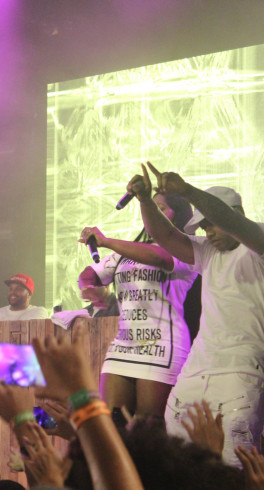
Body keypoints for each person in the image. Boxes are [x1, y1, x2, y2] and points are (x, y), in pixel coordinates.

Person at [127, 162, 264, 468]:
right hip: (193, 373)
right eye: (204, 227)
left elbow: (233, 223)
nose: (209, 233)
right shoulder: (209, 252)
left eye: (213, 224)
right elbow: (165, 236)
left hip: (239, 373)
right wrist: (146, 201)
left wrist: (187, 191)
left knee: (233, 472)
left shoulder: (257, 243)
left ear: (238, 215)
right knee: (183, 470)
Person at [77, 192, 197, 418]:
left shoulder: (186, 248)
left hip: (161, 346)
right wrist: (89, 288)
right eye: (150, 208)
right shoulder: (126, 252)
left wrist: (107, 241)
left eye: (161, 209)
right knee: (114, 422)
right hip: (124, 345)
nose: (153, 214)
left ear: (179, 214)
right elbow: (90, 273)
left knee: (148, 429)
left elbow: (159, 258)